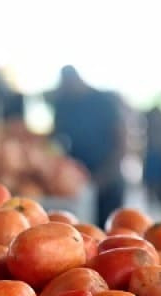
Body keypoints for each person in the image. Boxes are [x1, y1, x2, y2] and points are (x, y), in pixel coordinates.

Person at [49, 66, 127, 226]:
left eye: (69, 84)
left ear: (78, 79)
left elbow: (121, 138)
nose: (67, 88)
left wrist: (106, 175)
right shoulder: (64, 103)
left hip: (108, 175)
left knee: (110, 226)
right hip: (79, 177)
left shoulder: (104, 101)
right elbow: (55, 137)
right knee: (82, 229)